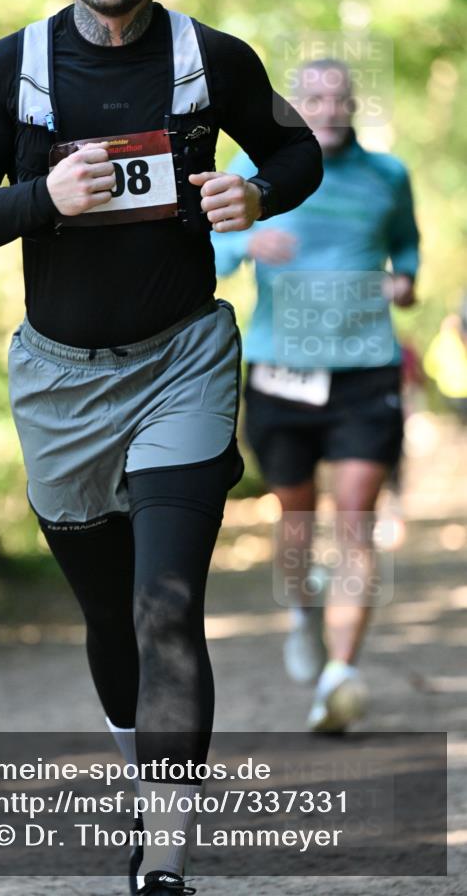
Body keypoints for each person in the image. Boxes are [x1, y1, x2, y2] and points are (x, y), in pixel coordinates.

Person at [0, 0, 322, 892]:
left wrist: (258, 193)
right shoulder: (9, 70)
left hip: (181, 359)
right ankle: (142, 778)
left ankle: (165, 854)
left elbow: (296, 149)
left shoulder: (213, 60)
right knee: (109, 615)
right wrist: (38, 201)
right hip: (59, 380)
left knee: (165, 604)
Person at [213, 58, 420, 733]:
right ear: (293, 106)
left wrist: (405, 281)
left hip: (364, 369)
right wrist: (247, 238)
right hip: (281, 372)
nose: (327, 108)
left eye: (339, 98)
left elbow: (406, 247)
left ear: (354, 105)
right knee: (295, 521)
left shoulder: (386, 176)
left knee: (355, 515)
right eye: (314, 98)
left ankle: (339, 673)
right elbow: (211, 251)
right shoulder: (256, 165)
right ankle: (302, 610)